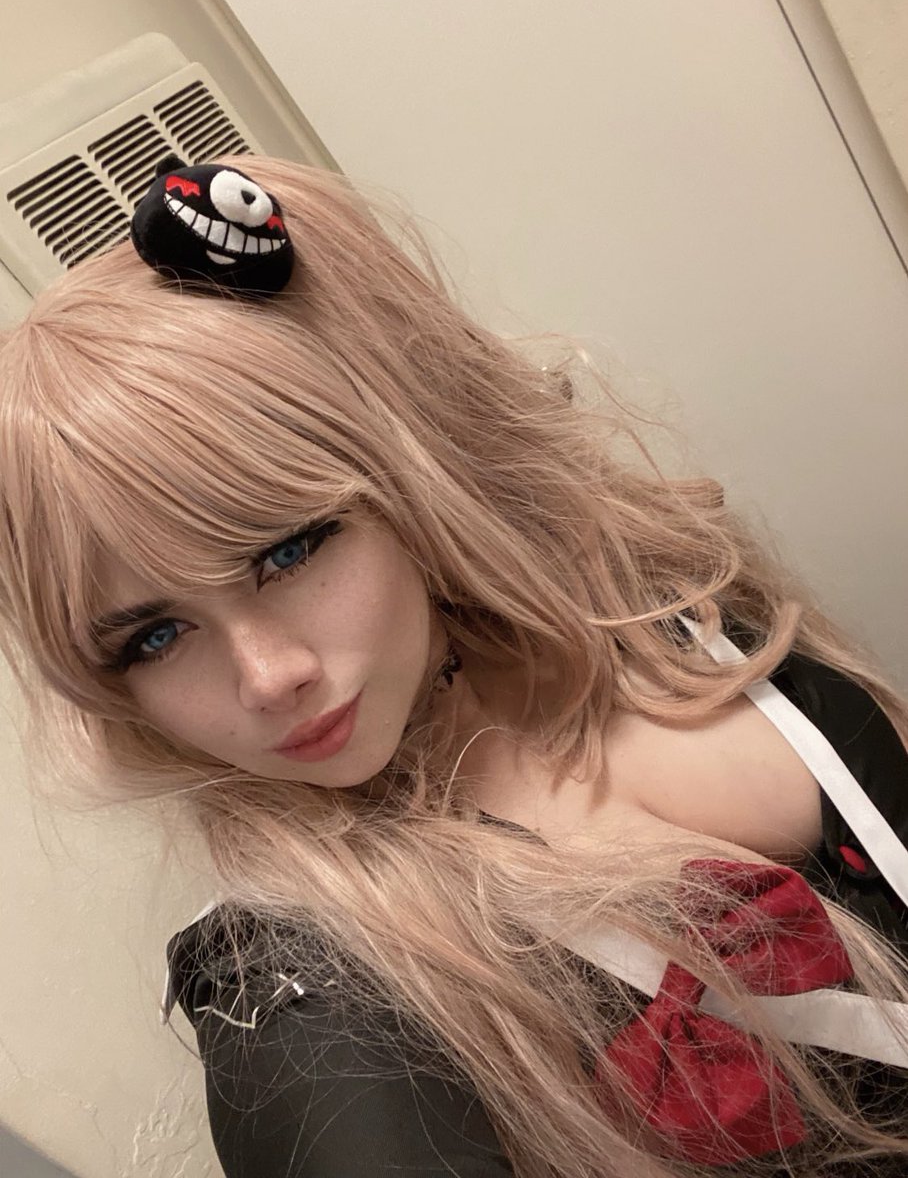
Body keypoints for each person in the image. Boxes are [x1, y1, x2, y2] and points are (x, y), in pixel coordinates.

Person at [1, 153, 907, 1178]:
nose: (265, 677)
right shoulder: (301, 992)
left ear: (410, 473)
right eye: (154, 638)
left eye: (288, 552)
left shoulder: (655, 610)